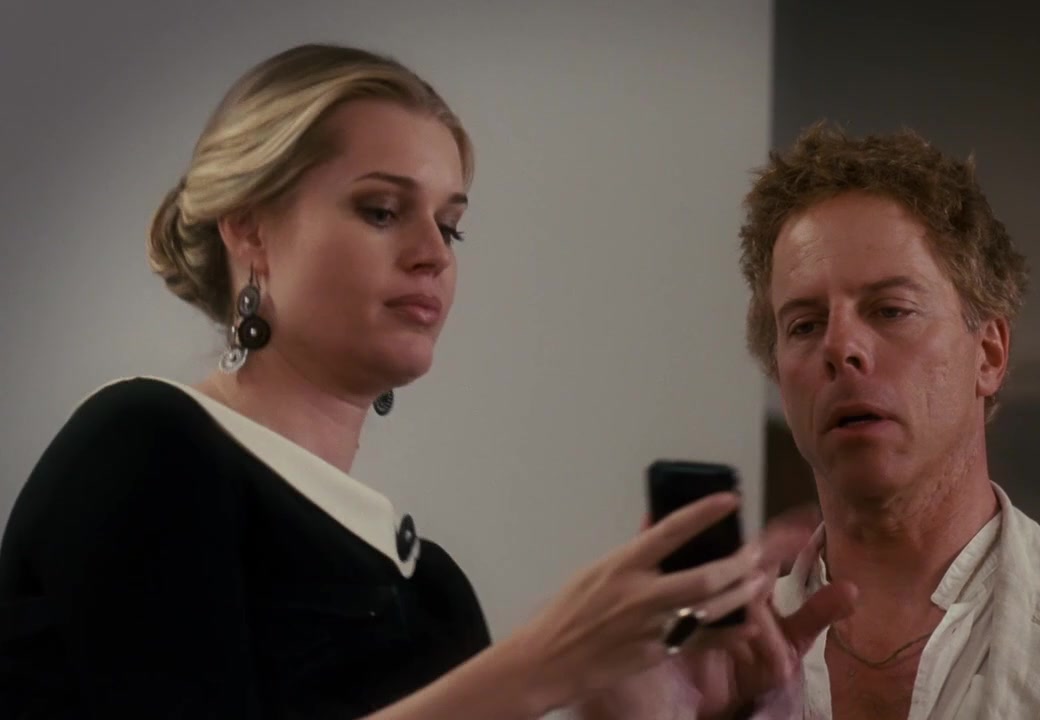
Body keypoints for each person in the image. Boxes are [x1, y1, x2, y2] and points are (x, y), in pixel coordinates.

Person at [0, 44, 843, 719]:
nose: (434, 254)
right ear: (250, 230)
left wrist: (625, 708)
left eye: (451, 226)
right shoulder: (144, 446)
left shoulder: (434, 592)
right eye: (381, 210)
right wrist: (539, 666)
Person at [577, 124, 1040, 718]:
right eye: (805, 324)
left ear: (988, 353)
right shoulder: (700, 663)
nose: (841, 347)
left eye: (890, 310)